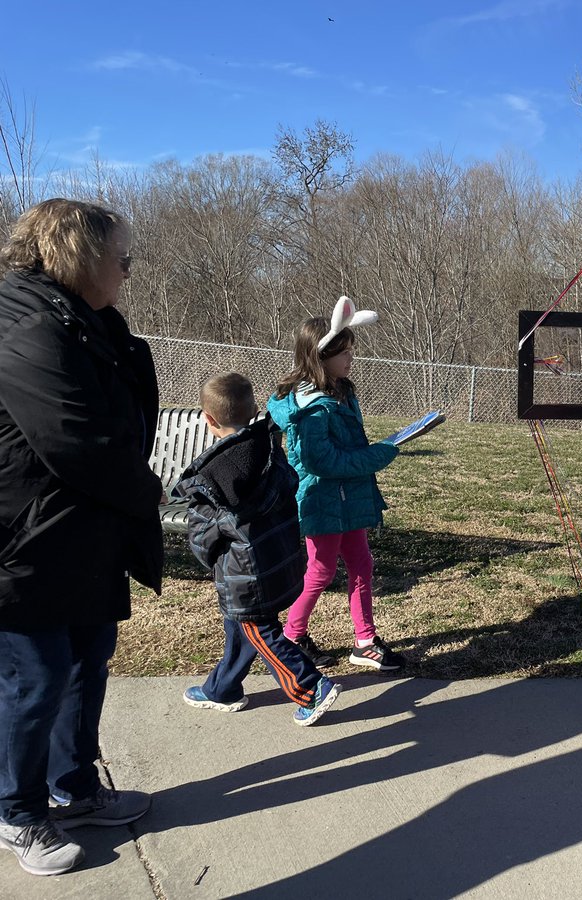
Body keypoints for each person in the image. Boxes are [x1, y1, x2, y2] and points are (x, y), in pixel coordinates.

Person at [0, 199, 161, 877]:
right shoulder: (27, 323)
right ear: (77, 255)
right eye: (119, 257)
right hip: (24, 542)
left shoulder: (87, 321)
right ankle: (18, 811)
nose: (127, 270)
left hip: (83, 536)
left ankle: (74, 787)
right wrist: (147, 491)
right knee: (34, 678)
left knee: (86, 662)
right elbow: (76, 439)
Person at [172, 372, 343, 725]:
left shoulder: (211, 480)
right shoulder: (268, 449)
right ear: (252, 411)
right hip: (275, 561)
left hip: (244, 574)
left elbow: (203, 537)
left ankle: (311, 687)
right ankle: (223, 688)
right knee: (241, 625)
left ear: (208, 419)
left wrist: (207, 555)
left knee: (260, 632)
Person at [267, 297, 406, 672]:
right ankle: (291, 637)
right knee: (321, 571)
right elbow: (320, 461)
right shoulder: (311, 407)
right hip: (322, 500)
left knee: (362, 562)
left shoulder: (341, 391)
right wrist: (379, 455)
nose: (350, 360)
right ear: (319, 356)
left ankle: (364, 641)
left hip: (349, 499)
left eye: (350, 351)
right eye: (342, 353)